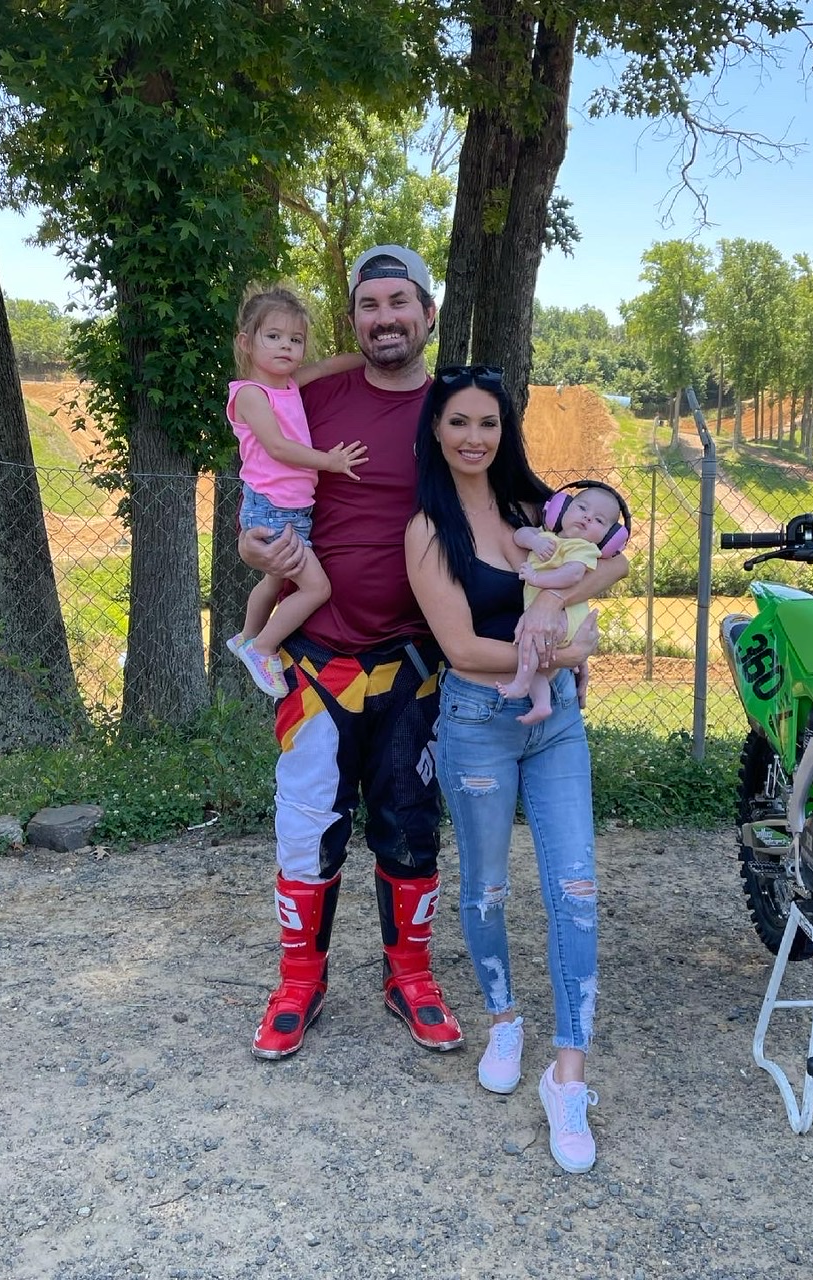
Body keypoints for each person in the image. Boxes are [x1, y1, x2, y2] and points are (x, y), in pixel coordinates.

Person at [239, 246, 533, 1060]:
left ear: (428, 313)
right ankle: (299, 979)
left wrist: (574, 581)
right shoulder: (309, 395)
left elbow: (516, 513)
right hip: (317, 659)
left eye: (400, 302)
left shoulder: (456, 412)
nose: (386, 318)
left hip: (419, 666)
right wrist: (252, 545)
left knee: (411, 824)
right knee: (307, 828)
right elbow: (259, 489)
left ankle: (410, 975)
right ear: (354, 320)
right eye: (369, 305)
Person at [404, 366, 628, 1175]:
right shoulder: (428, 530)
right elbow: (462, 649)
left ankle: (567, 1074)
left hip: (556, 722)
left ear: (506, 432)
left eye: (489, 423)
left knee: (577, 889)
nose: (475, 437)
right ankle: (504, 1019)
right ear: (437, 430)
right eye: (459, 422)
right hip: (477, 725)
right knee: (487, 888)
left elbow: (612, 564)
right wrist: (563, 652)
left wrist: (550, 608)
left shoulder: (535, 509)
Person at [224, 286, 368, 698]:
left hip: (290, 508)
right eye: (274, 336)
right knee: (317, 588)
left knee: (273, 582)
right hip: (273, 510)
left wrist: (369, 358)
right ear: (246, 343)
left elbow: (325, 368)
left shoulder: (287, 384)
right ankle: (263, 648)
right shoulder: (251, 394)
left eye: (295, 339)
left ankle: (246, 637)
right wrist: (330, 461)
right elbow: (278, 447)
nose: (286, 346)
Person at [497, 479, 630, 724]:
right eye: (582, 508)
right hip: (550, 617)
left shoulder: (583, 548)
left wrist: (537, 578)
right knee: (536, 659)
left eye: (599, 520)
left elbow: (573, 575)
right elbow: (520, 535)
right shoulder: (547, 536)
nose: (587, 518)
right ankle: (542, 704)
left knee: (530, 642)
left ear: (609, 538)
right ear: (561, 508)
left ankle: (520, 684)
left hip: (565, 618)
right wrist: (535, 541)